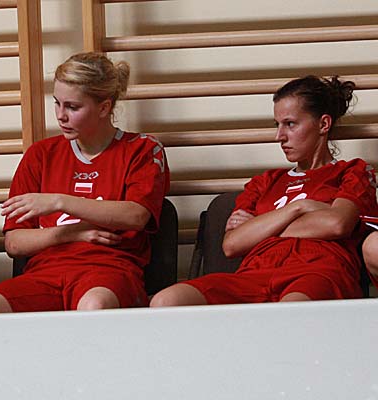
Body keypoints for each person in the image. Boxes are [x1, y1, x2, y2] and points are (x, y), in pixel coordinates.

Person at [0, 52, 169, 314]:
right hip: (45, 273)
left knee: (93, 305)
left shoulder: (143, 149)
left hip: (109, 271)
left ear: (104, 108)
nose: (61, 116)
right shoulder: (40, 154)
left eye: (72, 107)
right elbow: (14, 243)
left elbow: (136, 215)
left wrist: (60, 201)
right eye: (57, 103)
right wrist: (69, 233)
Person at [151, 75, 377, 307]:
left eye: (290, 124)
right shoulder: (265, 181)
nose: (279, 136)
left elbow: (337, 224)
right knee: (166, 300)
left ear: (323, 124)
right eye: (277, 125)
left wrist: (260, 226)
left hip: (318, 269)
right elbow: (232, 245)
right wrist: (298, 208)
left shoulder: (352, 171)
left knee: (289, 310)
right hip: (254, 273)